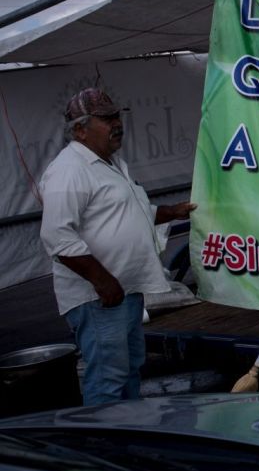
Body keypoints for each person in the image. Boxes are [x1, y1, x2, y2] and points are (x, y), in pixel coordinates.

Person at [39, 88, 196, 405]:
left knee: (129, 371)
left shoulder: (111, 163)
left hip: (125, 290)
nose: (116, 124)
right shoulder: (69, 170)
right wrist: (102, 280)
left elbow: (133, 212)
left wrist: (172, 211)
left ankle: (130, 436)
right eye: (106, 118)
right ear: (80, 129)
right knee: (108, 379)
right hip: (99, 298)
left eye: (117, 116)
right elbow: (57, 235)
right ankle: (104, 447)